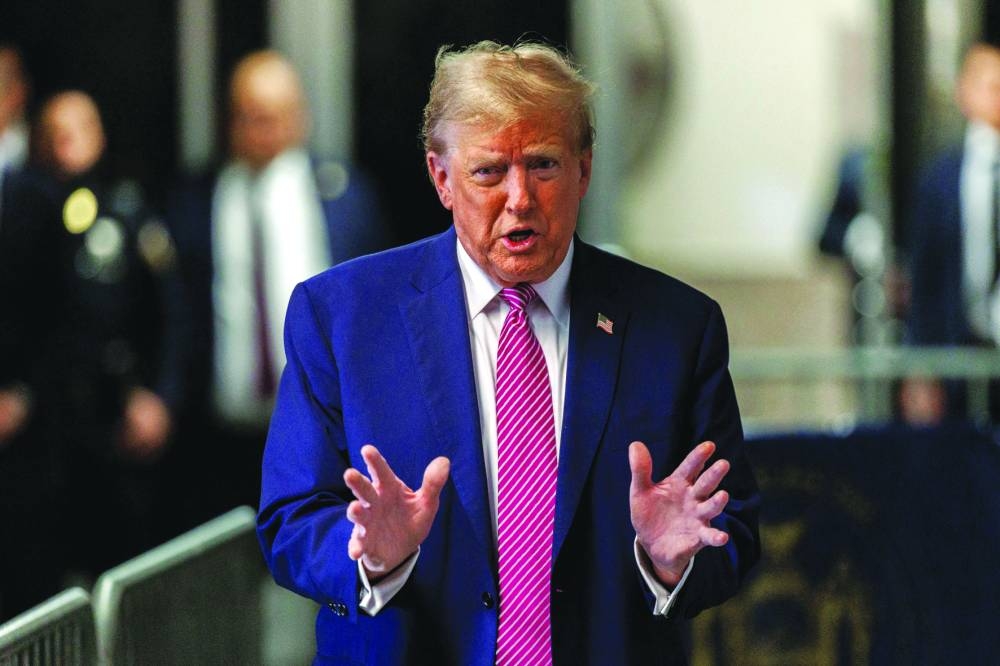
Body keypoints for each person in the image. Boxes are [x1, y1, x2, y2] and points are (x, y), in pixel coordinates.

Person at [257, 41, 760, 664]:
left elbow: (732, 526)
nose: (519, 198)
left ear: (585, 170)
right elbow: (289, 521)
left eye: (544, 166)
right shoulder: (341, 316)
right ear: (441, 178)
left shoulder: (679, 327)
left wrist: (672, 562)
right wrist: (369, 554)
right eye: (489, 171)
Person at [164, 50, 389, 526]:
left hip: (322, 433)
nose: (260, 128)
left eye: (273, 116)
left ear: (299, 117)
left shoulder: (343, 194)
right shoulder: (197, 198)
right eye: (249, 115)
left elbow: (374, 312)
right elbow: (178, 310)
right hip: (222, 433)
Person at [905, 43, 1000, 424]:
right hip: (957, 354)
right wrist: (921, 367)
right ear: (964, 91)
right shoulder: (940, 177)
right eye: (988, 85)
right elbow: (924, 277)